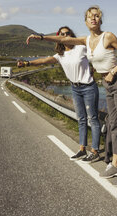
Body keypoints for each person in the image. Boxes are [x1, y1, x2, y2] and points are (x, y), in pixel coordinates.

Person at [27, 6, 117, 179]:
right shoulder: (85, 41)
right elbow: (61, 40)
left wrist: (113, 72)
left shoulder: (107, 36)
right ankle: (116, 163)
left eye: (96, 16)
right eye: (90, 16)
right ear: (85, 22)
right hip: (107, 84)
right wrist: (41, 37)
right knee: (114, 124)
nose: (93, 18)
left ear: (100, 20)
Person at [20, 26, 101, 163]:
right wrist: (27, 63)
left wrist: (94, 69)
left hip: (88, 88)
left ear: (72, 35)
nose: (65, 36)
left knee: (92, 119)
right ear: (59, 38)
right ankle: (82, 149)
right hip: (75, 89)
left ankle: (95, 151)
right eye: (62, 34)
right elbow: (44, 61)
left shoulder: (81, 47)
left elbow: (96, 56)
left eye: (67, 33)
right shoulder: (60, 55)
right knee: (81, 119)